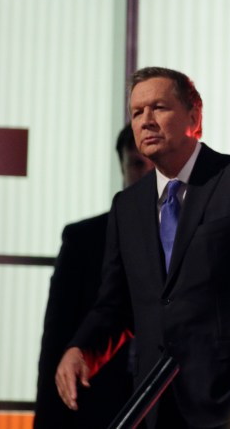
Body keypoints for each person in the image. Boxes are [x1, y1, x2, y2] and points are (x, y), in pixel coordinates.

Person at [55, 66, 230, 428]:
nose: (146, 121)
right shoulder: (127, 206)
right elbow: (115, 305)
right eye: (137, 112)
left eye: (158, 107)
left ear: (194, 116)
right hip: (156, 407)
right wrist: (82, 348)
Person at [34, 124, 153, 428]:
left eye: (154, 164)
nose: (146, 174)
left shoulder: (189, 234)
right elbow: (57, 334)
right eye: (137, 164)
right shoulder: (84, 239)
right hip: (97, 401)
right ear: (122, 168)